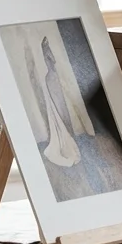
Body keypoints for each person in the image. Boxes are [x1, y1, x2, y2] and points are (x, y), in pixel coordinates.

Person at [38, 36, 82, 167]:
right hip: (57, 104)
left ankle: (70, 138)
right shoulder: (49, 77)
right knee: (62, 119)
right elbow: (52, 97)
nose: (51, 61)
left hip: (62, 102)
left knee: (66, 118)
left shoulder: (54, 74)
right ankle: (67, 142)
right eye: (48, 58)